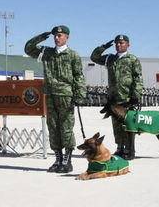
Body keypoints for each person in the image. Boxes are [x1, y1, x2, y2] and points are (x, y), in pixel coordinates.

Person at [25, 25, 86, 173]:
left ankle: (67, 160)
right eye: (55, 36)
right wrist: (41, 37)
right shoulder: (47, 52)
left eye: (60, 35)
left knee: (66, 128)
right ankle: (58, 159)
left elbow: (78, 76)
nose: (57, 38)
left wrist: (80, 95)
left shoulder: (73, 55)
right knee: (53, 127)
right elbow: (28, 48)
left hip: (66, 95)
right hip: (50, 94)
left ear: (67, 37)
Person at [90, 34, 143, 160]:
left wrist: (135, 95)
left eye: (122, 43)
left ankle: (128, 148)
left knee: (128, 125)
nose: (119, 45)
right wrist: (103, 47)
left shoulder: (132, 60)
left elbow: (138, 78)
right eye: (117, 44)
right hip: (114, 99)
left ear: (128, 45)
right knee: (116, 125)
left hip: (127, 98)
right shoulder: (110, 59)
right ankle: (119, 147)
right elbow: (94, 57)